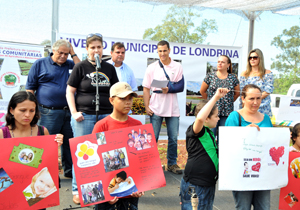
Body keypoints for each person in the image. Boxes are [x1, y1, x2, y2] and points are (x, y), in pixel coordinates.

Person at [66, 33, 118, 204]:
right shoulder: (80, 67)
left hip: (106, 117)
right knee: (83, 154)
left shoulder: (109, 68)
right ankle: (78, 189)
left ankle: (105, 188)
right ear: (87, 49)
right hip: (85, 117)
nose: (96, 50)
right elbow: (70, 91)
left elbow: (115, 91)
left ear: (103, 48)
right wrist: (74, 112)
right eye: (93, 47)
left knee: (106, 154)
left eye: (99, 47)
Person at [26, 39, 79, 178]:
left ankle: (70, 173)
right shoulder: (40, 63)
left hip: (68, 111)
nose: (63, 56)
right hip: (47, 112)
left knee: (69, 144)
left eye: (66, 53)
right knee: (46, 144)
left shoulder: (69, 63)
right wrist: (32, 110)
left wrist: (73, 53)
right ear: (53, 51)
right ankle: (42, 174)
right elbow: (30, 89)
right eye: (60, 53)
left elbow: (82, 69)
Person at [0, 91, 63, 210]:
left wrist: (56, 148)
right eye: (22, 110)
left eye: (32, 111)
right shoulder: (2, 134)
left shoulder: (42, 131)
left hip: (35, 192)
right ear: (11, 110)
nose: (27, 115)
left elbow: (48, 164)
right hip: (9, 191)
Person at [92, 82, 144, 210]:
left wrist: (142, 186)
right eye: (122, 98)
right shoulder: (102, 126)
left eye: (130, 98)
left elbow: (141, 160)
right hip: (107, 194)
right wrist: (105, 191)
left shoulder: (137, 126)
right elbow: (95, 161)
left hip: (130, 193)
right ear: (111, 100)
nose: (128, 102)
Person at [180, 88, 229, 210]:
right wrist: (216, 97)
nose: (218, 119)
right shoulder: (197, 131)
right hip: (196, 185)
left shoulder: (209, 133)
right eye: (216, 116)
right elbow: (200, 119)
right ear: (207, 118)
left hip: (208, 185)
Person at [225, 84, 273, 210]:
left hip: (263, 173)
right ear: (243, 98)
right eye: (251, 98)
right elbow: (227, 144)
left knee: (264, 207)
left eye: (258, 98)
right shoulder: (235, 117)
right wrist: (244, 133)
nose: (256, 102)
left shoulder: (266, 118)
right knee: (243, 208)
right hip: (242, 173)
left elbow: (271, 145)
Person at [143, 40, 183, 174]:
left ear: (169, 50)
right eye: (160, 51)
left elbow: (181, 86)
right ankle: (151, 165)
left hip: (172, 108)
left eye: (165, 50)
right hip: (156, 107)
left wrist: (169, 89)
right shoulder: (152, 67)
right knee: (153, 138)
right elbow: (146, 88)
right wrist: (146, 106)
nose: (162, 53)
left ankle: (172, 163)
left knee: (173, 138)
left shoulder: (177, 66)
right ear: (157, 51)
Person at [200, 55, 239, 142]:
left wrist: (229, 102)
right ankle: (211, 155)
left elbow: (237, 93)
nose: (220, 64)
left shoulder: (233, 78)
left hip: (226, 113)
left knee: (224, 138)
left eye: (222, 62)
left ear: (228, 65)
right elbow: (202, 91)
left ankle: (222, 155)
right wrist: (210, 102)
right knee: (210, 136)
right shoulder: (210, 76)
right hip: (212, 112)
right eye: (218, 62)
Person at [239, 48, 274, 118]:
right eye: (250, 58)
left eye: (255, 57)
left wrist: (256, 100)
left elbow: (268, 90)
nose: (252, 59)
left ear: (260, 59)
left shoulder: (268, 73)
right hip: (247, 107)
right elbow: (242, 91)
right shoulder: (244, 74)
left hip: (263, 108)